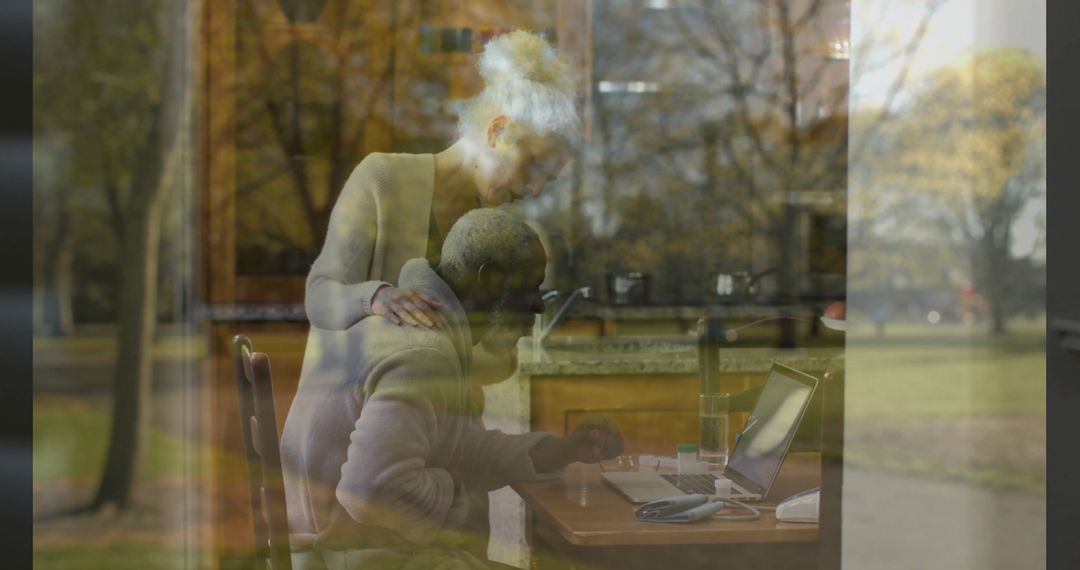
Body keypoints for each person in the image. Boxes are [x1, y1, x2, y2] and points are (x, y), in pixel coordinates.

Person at [282, 210, 622, 570]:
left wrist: (560, 450)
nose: (539, 305)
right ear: (489, 278)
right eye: (530, 286)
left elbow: (457, 448)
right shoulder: (422, 354)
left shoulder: (412, 332)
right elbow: (370, 493)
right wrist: (457, 493)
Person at [304, 30, 579, 333]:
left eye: (548, 179)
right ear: (498, 132)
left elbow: (482, 349)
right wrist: (377, 297)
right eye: (535, 164)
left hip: (440, 381)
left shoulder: (493, 225)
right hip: (362, 378)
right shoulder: (383, 179)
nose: (537, 189)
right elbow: (320, 297)